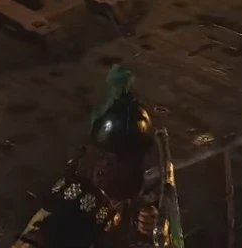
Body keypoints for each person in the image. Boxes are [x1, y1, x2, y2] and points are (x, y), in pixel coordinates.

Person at [12, 67, 171, 248]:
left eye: (116, 159)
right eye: (104, 157)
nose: (104, 165)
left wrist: (150, 231)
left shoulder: (133, 198)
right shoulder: (74, 199)